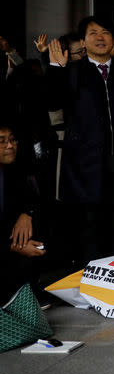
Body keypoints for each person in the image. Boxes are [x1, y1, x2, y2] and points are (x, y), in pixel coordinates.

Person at [46, 16, 114, 264]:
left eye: (105, 32)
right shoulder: (72, 72)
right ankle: (92, 283)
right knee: (90, 225)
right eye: (93, 33)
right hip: (86, 165)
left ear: (113, 39)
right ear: (83, 41)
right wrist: (55, 70)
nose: (100, 37)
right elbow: (52, 102)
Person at [0, 123, 46, 304]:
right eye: (2, 142)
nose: (10, 146)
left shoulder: (16, 174)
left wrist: (26, 214)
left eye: (12, 140)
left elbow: (34, 201)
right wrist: (13, 247)